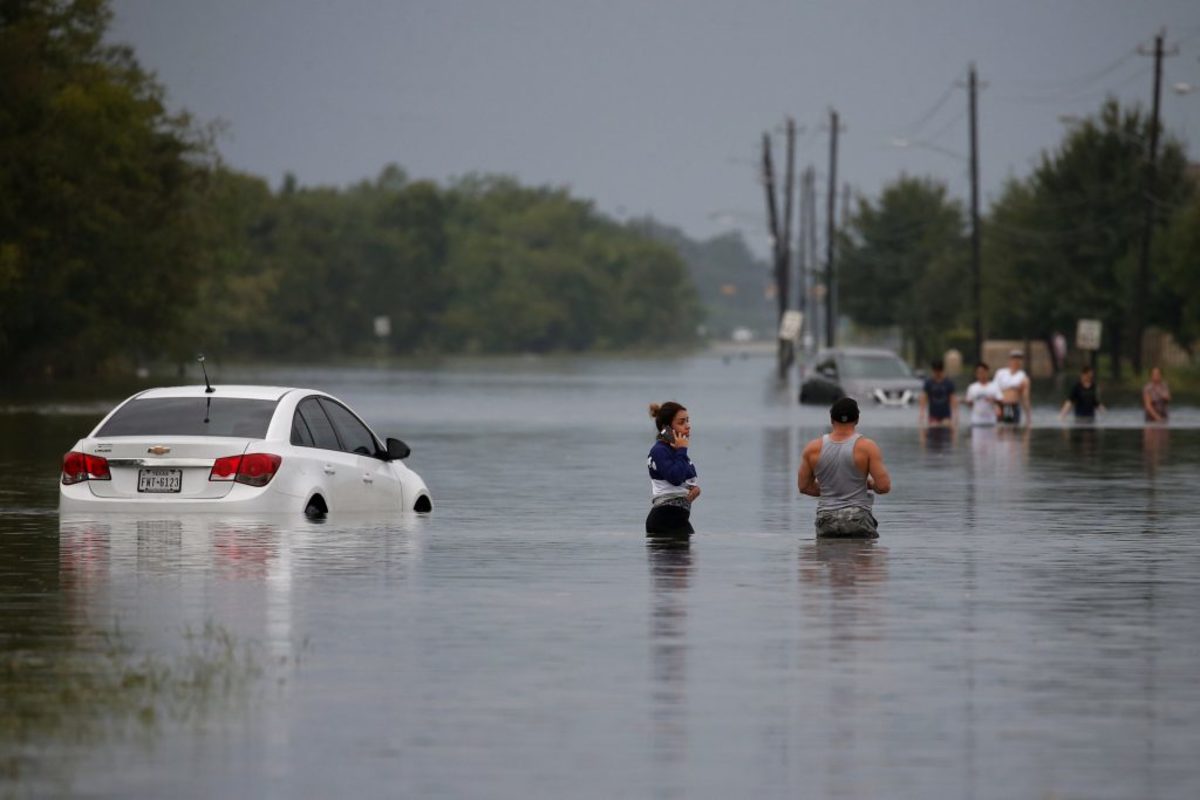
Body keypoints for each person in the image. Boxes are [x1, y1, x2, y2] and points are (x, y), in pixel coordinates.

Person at [797, 397, 891, 538]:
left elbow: (803, 487)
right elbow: (884, 487)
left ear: (831, 419)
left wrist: (833, 489)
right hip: (857, 518)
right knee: (869, 557)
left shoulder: (812, 448)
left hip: (826, 519)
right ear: (857, 419)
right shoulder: (867, 447)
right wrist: (869, 484)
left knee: (827, 557)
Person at [645, 401, 700, 536]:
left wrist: (695, 489)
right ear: (667, 428)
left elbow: (687, 477)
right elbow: (675, 478)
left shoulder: (677, 451)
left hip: (677, 518)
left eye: (687, 421)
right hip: (665, 518)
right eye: (681, 423)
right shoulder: (660, 451)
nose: (688, 427)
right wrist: (682, 450)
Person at [993, 349, 1031, 425]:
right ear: (1010, 360)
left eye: (1019, 359)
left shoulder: (1023, 376)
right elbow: (994, 390)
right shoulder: (1001, 373)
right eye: (1014, 359)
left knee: (1011, 430)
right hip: (1001, 404)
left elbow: (1025, 397)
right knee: (999, 429)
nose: (1016, 361)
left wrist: (1028, 417)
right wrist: (995, 405)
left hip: (1013, 405)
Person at [919, 358, 958, 427]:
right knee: (934, 428)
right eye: (935, 371)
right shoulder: (929, 383)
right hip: (933, 414)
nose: (937, 374)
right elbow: (924, 398)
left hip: (946, 415)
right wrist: (922, 412)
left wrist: (956, 414)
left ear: (942, 370)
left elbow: (953, 399)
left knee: (946, 427)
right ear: (933, 370)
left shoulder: (948, 383)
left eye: (938, 371)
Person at [964, 362, 1003, 427]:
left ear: (987, 372)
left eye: (983, 372)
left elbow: (1001, 401)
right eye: (979, 373)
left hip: (991, 421)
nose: (981, 375)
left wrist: (993, 400)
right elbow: (969, 402)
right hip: (977, 421)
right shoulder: (972, 387)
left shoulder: (994, 386)